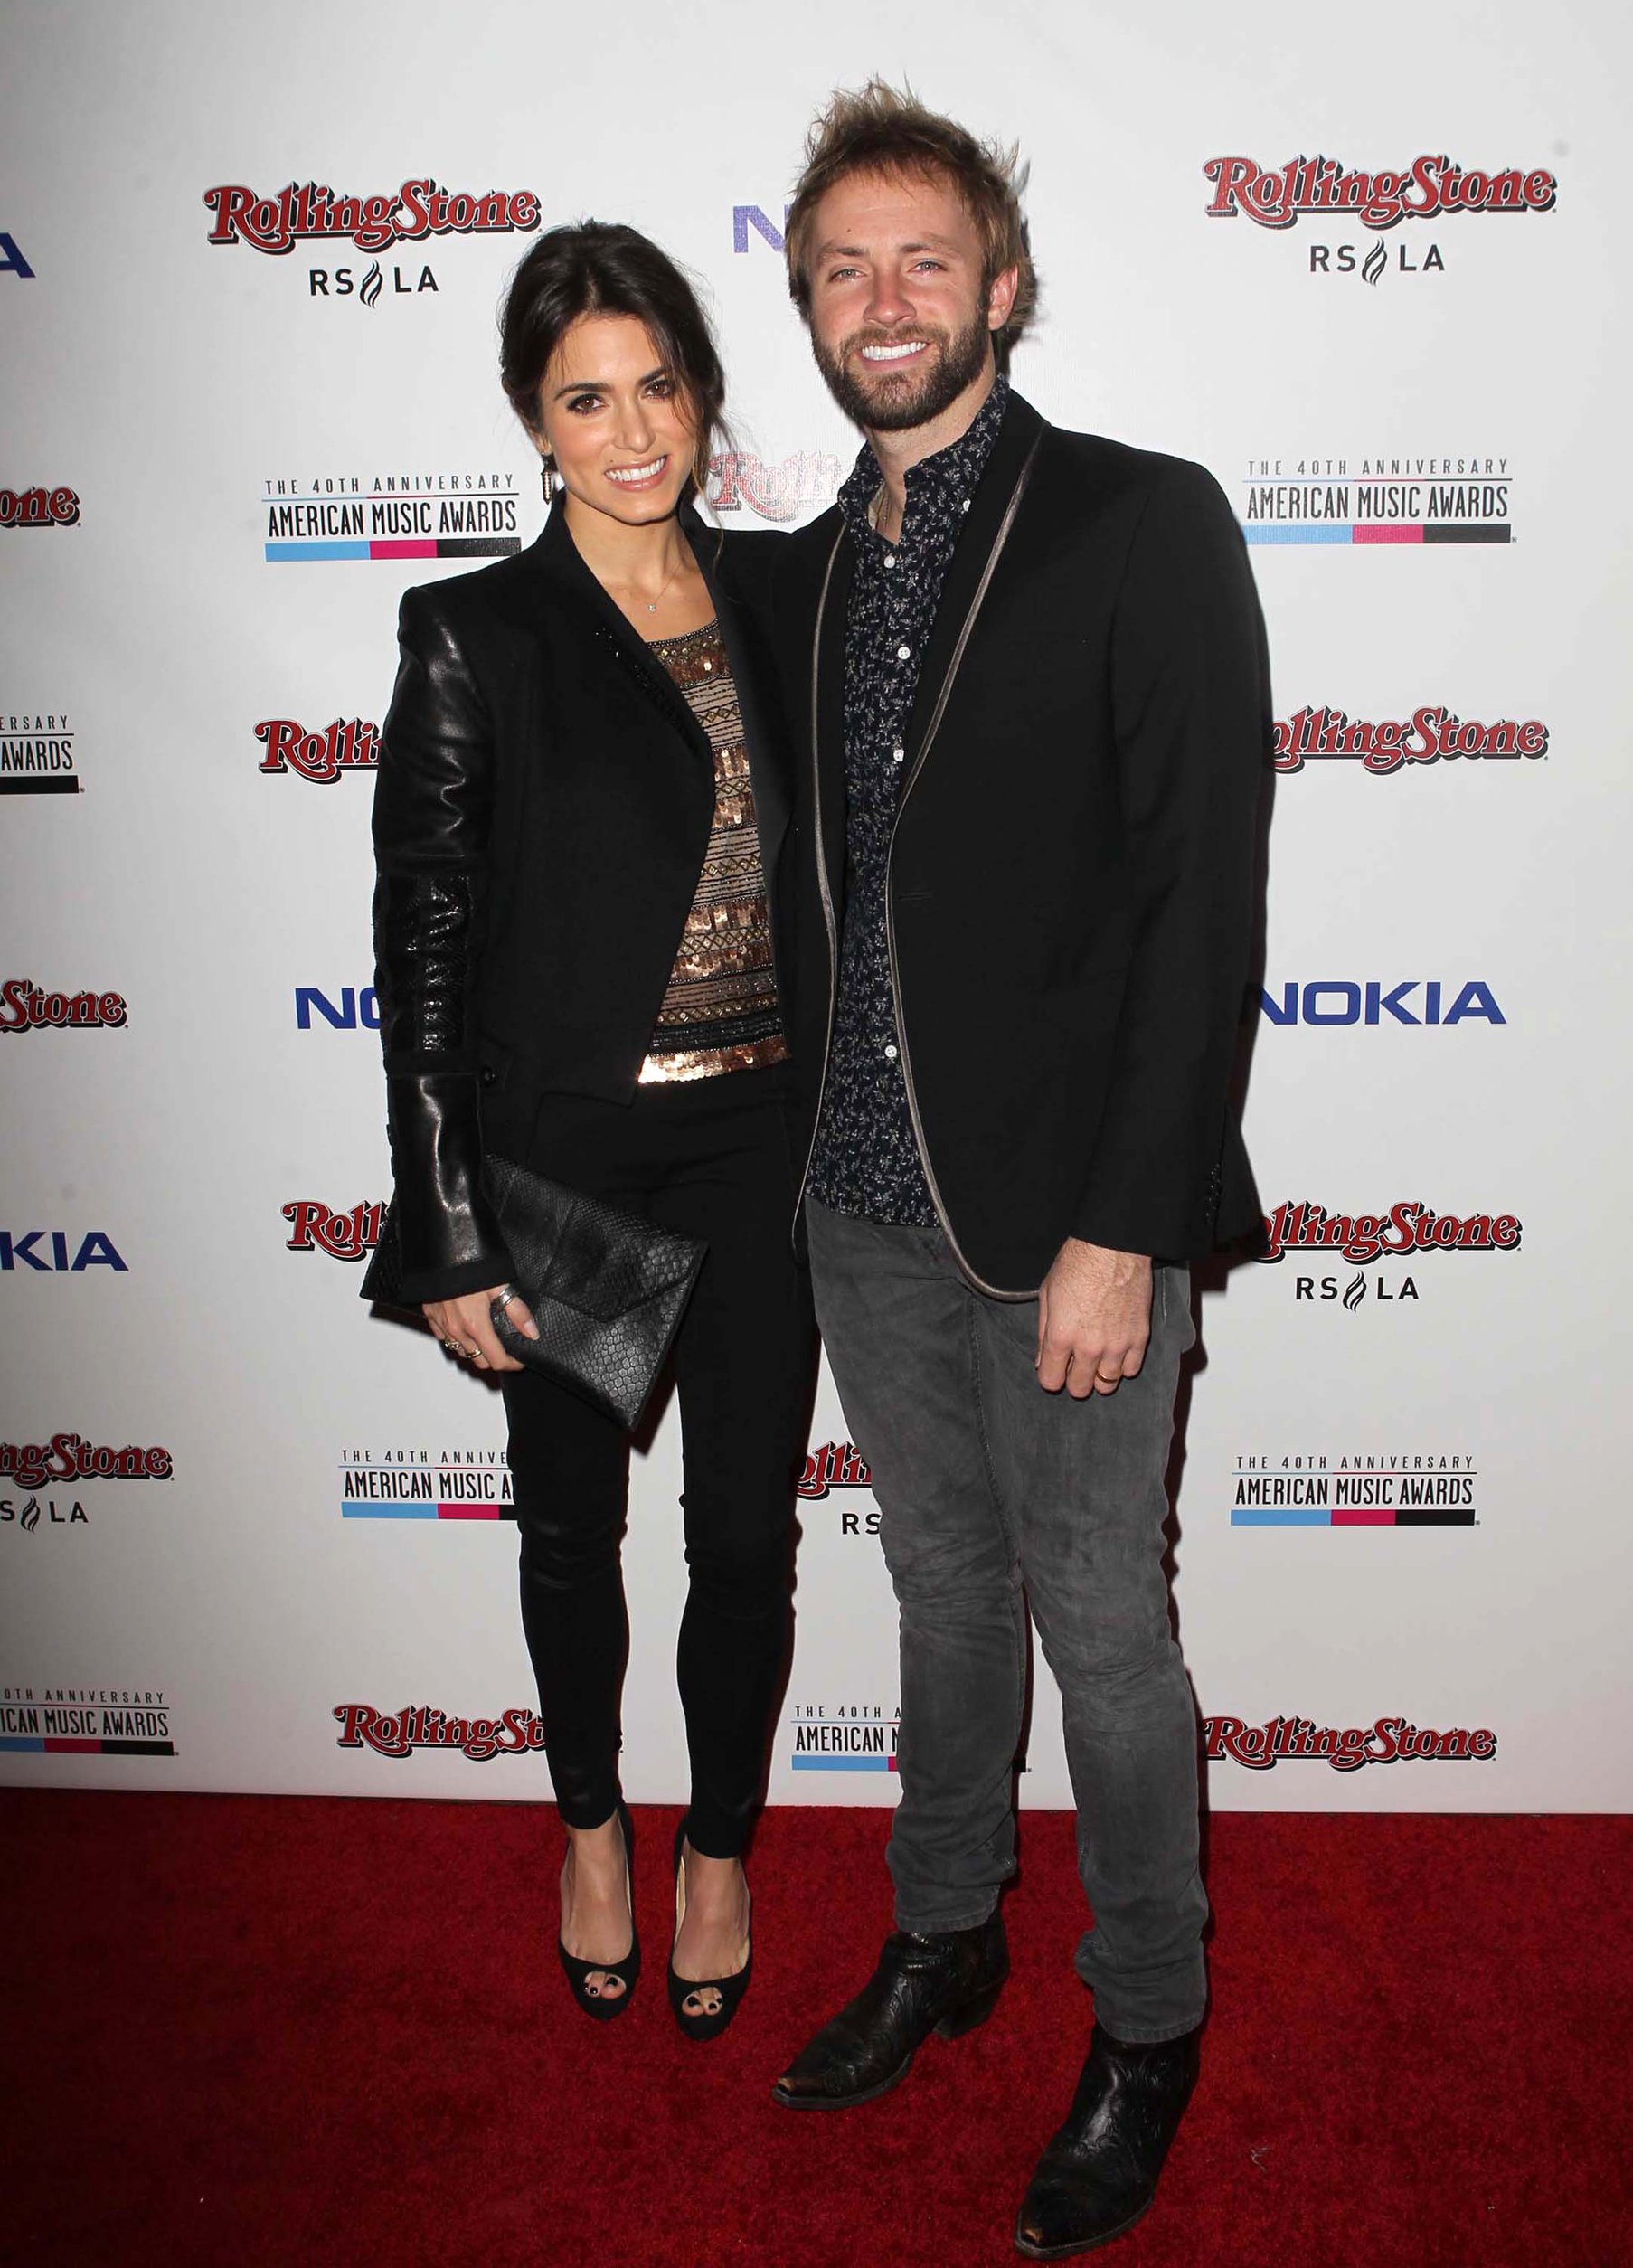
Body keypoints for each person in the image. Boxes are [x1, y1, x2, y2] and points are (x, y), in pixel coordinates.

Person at [763, 86, 1269, 2257]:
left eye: (924, 261)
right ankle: (945, 1929)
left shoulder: (1140, 524)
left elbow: (1201, 897)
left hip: (1070, 1220)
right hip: (857, 1205)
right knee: (939, 1601)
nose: (887, 303)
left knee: (1104, 1632)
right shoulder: (790, 580)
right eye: (843, 270)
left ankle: (1146, 2018)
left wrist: (1125, 1223)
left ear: (1006, 284)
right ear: (807, 305)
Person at [370, 222, 814, 2038]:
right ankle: (589, 1833)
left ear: (705, 397)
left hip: (764, 1151)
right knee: (570, 1538)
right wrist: (450, 1219)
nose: (632, 431)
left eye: (659, 387)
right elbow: (427, 944)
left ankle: (717, 1845)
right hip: (564, 1160)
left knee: (748, 1543)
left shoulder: (788, 596)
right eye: (585, 399)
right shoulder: (478, 631)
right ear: (532, 424)